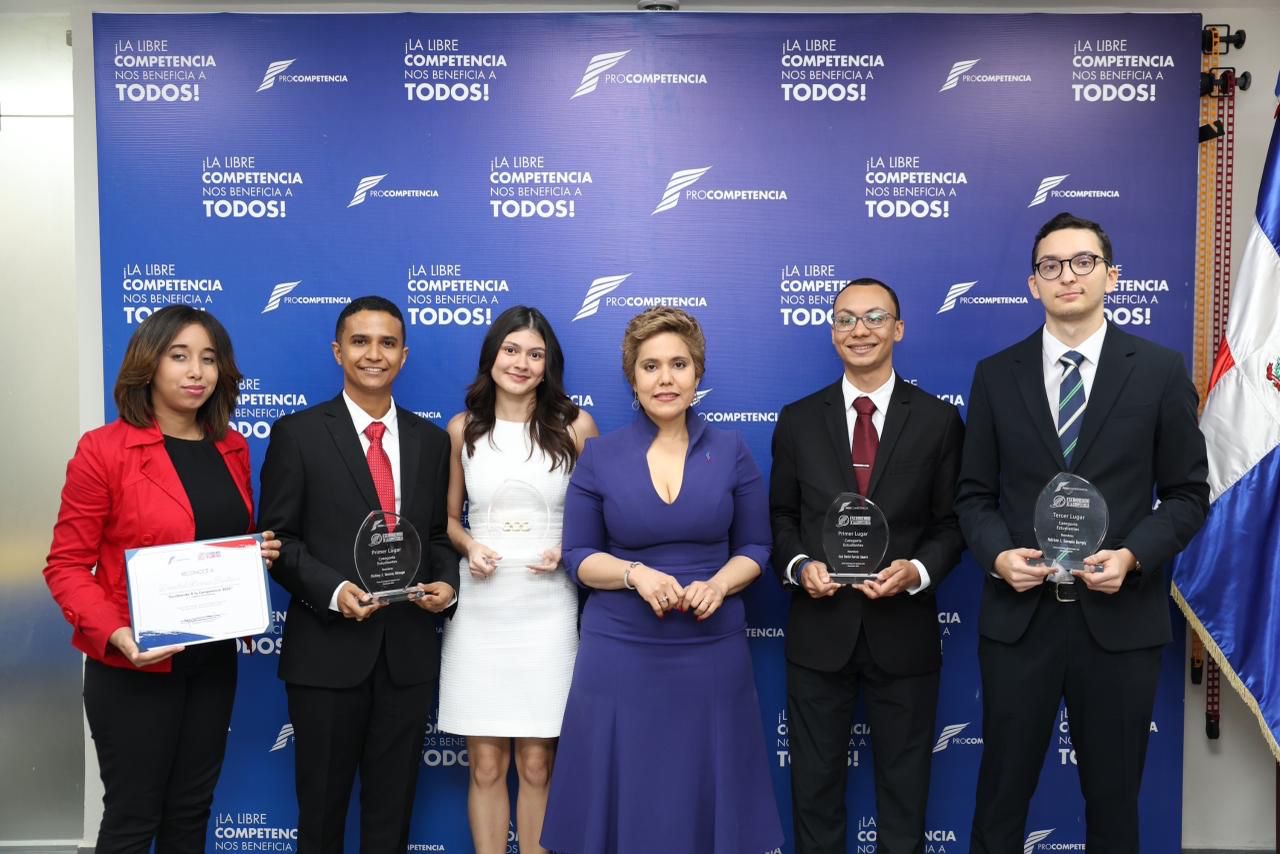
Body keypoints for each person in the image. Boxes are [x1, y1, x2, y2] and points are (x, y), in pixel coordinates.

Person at [955, 212, 1209, 853]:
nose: (1067, 275)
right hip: (1021, 622)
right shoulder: (995, 374)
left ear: (1111, 275)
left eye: (1082, 262)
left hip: (1119, 621)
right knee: (999, 802)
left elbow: (1186, 495)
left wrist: (1132, 555)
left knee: (1115, 806)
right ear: (1032, 285)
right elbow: (973, 496)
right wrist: (995, 557)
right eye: (1050, 266)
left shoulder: (1157, 370)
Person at [540, 307, 784, 854]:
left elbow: (756, 547)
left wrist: (720, 584)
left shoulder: (731, 451)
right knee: (626, 793)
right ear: (633, 377)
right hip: (620, 651)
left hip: (710, 650)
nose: (665, 378)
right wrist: (634, 574)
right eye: (651, 366)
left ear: (698, 374)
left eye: (678, 364)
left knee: (703, 795)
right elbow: (578, 554)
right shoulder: (599, 455)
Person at [43, 305, 279, 854]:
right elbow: (66, 565)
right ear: (148, 365)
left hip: (211, 659)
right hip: (134, 664)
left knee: (190, 815)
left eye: (208, 359)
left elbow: (219, 538)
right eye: (180, 357)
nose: (196, 371)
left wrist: (253, 554)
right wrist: (117, 635)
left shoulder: (232, 447)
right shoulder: (103, 451)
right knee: (132, 819)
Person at [769, 278, 965, 854]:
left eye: (875, 317)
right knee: (814, 790)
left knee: (905, 793)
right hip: (818, 632)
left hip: (902, 631)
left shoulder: (937, 421)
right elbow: (780, 516)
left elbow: (953, 524)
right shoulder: (798, 420)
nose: (860, 330)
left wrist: (918, 570)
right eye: (846, 319)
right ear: (832, 333)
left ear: (898, 329)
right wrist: (801, 564)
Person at [258, 295, 459, 854]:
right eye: (361, 341)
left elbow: (438, 538)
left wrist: (448, 584)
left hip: (406, 654)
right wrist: (335, 590)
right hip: (326, 656)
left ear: (404, 354)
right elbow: (279, 542)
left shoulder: (432, 440)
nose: (374, 353)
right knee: (320, 813)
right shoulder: (297, 434)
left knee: (392, 814)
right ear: (338, 351)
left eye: (387, 343)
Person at [437, 306, 598, 854]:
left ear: (548, 363)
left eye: (535, 354)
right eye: (511, 350)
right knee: (484, 763)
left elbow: (599, 517)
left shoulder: (575, 426)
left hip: (549, 606)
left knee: (537, 760)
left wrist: (569, 548)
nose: (521, 363)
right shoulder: (463, 429)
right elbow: (450, 521)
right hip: (482, 606)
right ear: (492, 356)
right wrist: (469, 546)